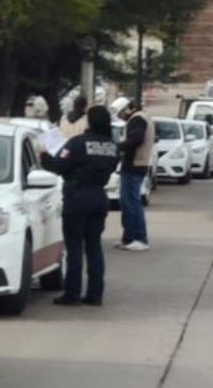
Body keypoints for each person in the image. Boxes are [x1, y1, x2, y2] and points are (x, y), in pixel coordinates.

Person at [41, 105, 118, 306]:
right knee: (94, 247)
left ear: (90, 121)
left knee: (74, 247)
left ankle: (72, 293)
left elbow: (57, 166)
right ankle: (95, 294)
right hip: (99, 197)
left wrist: (43, 154)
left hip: (78, 197)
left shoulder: (78, 143)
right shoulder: (112, 146)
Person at [112, 96, 154, 251]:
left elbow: (136, 139)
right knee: (127, 203)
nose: (121, 117)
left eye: (121, 113)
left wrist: (117, 146)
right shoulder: (141, 118)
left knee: (131, 203)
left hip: (134, 165)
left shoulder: (137, 119)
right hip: (136, 165)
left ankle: (139, 238)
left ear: (126, 109)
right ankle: (128, 238)